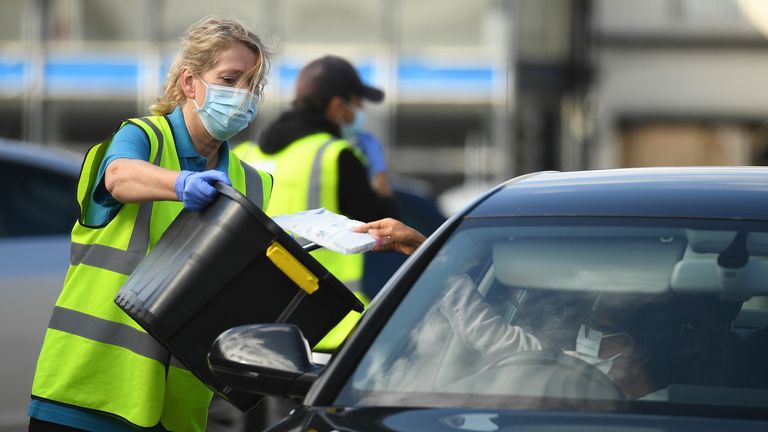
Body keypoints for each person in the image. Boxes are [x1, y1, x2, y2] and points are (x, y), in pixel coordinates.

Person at [27, 17, 272, 432]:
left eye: (253, 86)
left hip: (177, 410)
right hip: (89, 392)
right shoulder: (141, 138)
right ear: (189, 81)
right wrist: (180, 183)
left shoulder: (253, 182)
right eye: (230, 79)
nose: (242, 96)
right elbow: (119, 177)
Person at [233, 55, 398, 352]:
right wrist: (380, 174)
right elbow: (385, 227)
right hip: (330, 328)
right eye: (357, 104)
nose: (359, 114)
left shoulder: (246, 154)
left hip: (256, 327)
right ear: (337, 106)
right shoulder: (336, 156)